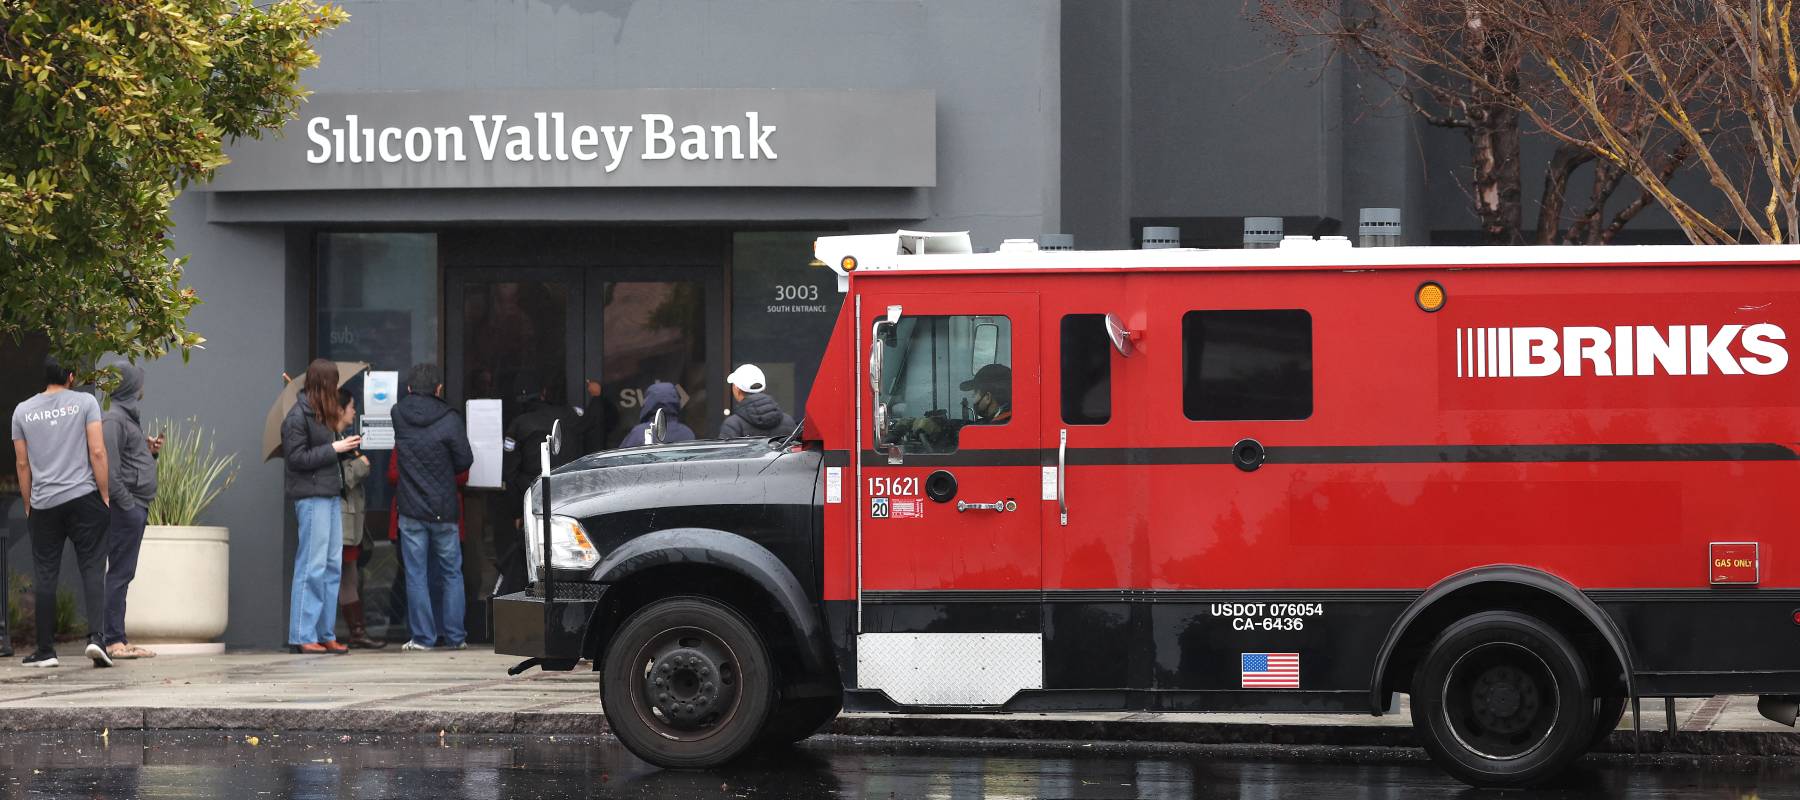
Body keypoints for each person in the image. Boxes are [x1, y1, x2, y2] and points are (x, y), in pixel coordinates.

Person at [11, 358, 114, 668]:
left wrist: (29, 503)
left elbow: (22, 464)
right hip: (84, 497)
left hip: (44, 504)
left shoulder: (22, 411)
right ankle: (97, 639)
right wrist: (105, 494)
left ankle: (45, 650)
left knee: (45, 575)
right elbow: (97, 451)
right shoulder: (85, 402)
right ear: (71, 377)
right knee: (93, 569)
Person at [392, 363, 474, 652]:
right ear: (439, 389)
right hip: (444, 507)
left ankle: (423, 638)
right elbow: (465, 460)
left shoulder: (397, 414)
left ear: (410, 389)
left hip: (411, 507)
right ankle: (455, 637)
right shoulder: (450, 418)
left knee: (416, 574)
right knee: (451, 572)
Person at [282, 359, 359, 655]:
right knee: (312, 566)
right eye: (333, 382)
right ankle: (303, 634)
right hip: (311, 497)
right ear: (323, 383)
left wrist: (341, 448)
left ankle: (325, 632)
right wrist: (333, 449)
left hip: (328, 493)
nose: (336, 388)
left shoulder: (321, 416)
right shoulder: (296, 417)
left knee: (330, 567)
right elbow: (296, 459)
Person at [499, 372, 582, 597]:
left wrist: (517, 510)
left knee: (530, 559)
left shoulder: (520, 424)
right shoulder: (572, 416)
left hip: (533, 501)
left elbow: (510, 472)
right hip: (574, 499)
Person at [100, 364, 162, 660]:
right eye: (139, 382)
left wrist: (150, 452)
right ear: (128, 386)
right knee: (120, 573)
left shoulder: (126, 418)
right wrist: (127, 506)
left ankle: (118, 638)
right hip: (129, 507)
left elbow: (126, 461)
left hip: (135, 505)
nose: (143, 387)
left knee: (124, 572)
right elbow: (110, 473)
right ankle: (113, 641)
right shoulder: (114, 419)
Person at [334, 390, 383, 650]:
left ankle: (357, 630)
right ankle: (355, 631)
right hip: (343, 520)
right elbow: (341, 478)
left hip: (352, 520)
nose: (354, 411)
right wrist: (361, 464)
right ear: (340, 409)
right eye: (351, 407)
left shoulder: (342, 439)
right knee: (344, 575)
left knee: (349, 575)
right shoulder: (331, 440)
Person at [718, 364, 796, 439]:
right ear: (764, 388)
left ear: (737, 389)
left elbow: (725, 452)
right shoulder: (788, 421)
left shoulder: (733, 424)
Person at [619, 382, 695, 449]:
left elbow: (620, 460)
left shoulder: (638, 433)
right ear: (676, 401)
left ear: (648, 402)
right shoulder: (687, 433)